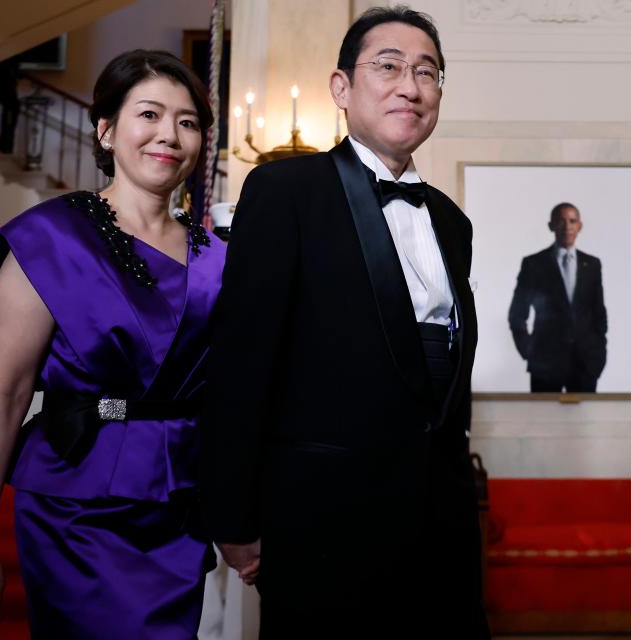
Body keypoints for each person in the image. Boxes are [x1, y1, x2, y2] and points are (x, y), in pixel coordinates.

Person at [201, 6, 489, 639]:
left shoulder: (450, 221)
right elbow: (243, 361)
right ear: (341, 87)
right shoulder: (285, 191)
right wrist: (234, 516)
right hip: (322, 523)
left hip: (440, 526)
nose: (410, 86)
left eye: (427, 72)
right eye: (388, 66)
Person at [0, 50, 225, 639]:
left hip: (180, 506)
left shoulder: (223, 260)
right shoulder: (47, 240)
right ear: (105, 130)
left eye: (187, 122)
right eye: (148, 114)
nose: (168, 136)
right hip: (75, 503)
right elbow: (3, 400)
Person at [508, 202, 608, 392]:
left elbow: (599, 313)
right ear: (551, 226)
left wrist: (599, 353)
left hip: (585, 364)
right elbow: (517, 314)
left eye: (572, 221)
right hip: (545, 365)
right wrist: (529, 351)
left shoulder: (592, 265)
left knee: (583, 420)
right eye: (561, 221)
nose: (567, 226)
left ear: (579, 226)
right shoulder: (534, 264)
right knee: (543, 420)